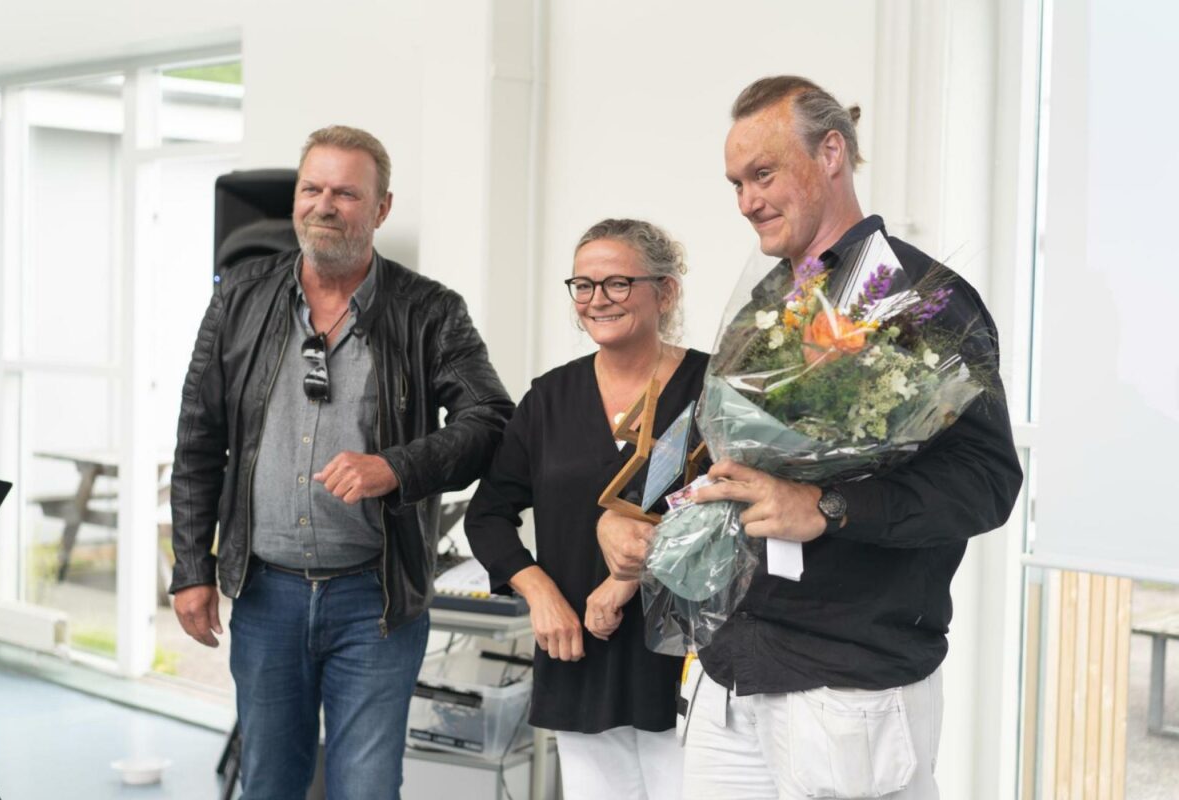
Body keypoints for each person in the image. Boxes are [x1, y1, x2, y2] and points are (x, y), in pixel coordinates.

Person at [597, 77, 1024, 799]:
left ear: (832, 153)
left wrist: (827, 506)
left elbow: (987, 483)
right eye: (736, 183)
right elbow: (725, 461)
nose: (746, 202)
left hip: (845, 691)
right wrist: (638, 521)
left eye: (762, 175)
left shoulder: (920, 303)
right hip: (729, 676)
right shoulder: (762, 308)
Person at [169, 124, 513, 800]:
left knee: (366, 787)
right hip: (265, 593)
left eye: (346, 193)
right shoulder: (239, 299)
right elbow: (199, 438)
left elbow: (490, 421)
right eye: (311, 189)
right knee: (269, 782)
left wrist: (397, 467)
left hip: (374, 601)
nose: (324, 205)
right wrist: (190, 567)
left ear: (381, 209)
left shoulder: (431, 312)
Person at [465, 219, 708, 800]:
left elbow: (722, 513)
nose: (597, 299)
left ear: (665, 292)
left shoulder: (713, 387)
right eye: (583, 285)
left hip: (683, 655)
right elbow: (488, 514)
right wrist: (541, 595)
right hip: (578, 655)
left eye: (618, 283)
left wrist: (627, 580)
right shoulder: (549, 398)